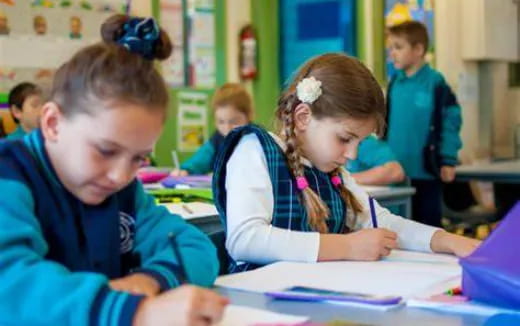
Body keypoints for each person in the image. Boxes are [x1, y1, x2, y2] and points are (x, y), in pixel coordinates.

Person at [0, 15, 227, 325]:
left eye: (138, 158)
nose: (121, 175)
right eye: (105, 151)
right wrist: (136, 312)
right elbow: (10, 284)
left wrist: (149, 281)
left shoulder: (122, 191)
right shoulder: (9, 173)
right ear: (53, 123)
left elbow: (195, 247)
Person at [212, 53, 480, 273]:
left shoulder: (333, 172)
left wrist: (447, 240)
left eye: (359, 143)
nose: (352, 155)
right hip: (259, 303)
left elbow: (383, 223)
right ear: (303, 117)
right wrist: (346, 247)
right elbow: (244, 240)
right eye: (344, 138)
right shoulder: (254, 150)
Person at [386, 21, 463, 227]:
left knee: (428, 227)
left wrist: (448, 159)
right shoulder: (395, 83)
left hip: (426, 171)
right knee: (399, 229)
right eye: (391, 48)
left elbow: (451, 120)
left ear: (418, 49)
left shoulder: (436, 83)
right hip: (396, 174)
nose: (392, 53)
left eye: (398, 47)